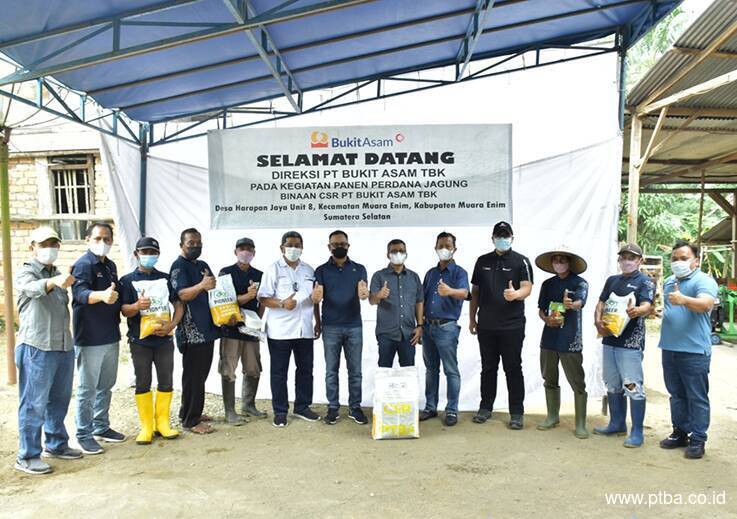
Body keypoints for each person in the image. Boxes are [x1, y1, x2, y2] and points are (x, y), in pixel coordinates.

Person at [14, 227, 83, 474]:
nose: (49, 248)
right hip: (37, 347)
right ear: (32, 246)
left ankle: (56, 444)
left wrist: (59, 279)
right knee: (33, 403)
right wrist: (53, 281)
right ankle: (27, 455)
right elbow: (31, 289)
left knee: (59, 400)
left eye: (54, 243)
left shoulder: (58, 274)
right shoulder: (26, 271)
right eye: (43, 244)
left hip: (62, 346)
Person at [119, 237, 184, 444]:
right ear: (136, 254)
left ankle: (162, 423)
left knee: (166, 380)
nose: (148, 256)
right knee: (143, 381)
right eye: (144, 252)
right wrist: (137, 306)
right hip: (140, 341)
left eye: (152, 252)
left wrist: (172, 325)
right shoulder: (127, 280)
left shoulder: (165, 279)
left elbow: (179, 305)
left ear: (158, 255)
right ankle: (147, 426)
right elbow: (123, 310)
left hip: (164, 340)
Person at [469, 221, 533, 430]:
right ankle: (485, 407)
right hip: (486, 325)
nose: (502, 238)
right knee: (488, 368)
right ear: (493, 238)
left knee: (513, 368)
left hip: (512, 326)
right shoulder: (482, 261)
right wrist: (472, 318)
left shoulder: (521, 261)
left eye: (506, 235)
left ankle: (516, 412)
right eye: (499, 235)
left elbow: (527, 287)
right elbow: (475, 292)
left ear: (512, 238)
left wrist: (516, 295)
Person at [658, 240, 717, 459]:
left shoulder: (704, 280)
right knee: (676, 394)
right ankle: (680, 432)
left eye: (684, 258)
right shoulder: (668, 281)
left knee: (697, 396)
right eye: (675, 259)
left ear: (696, 261)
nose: (678, 262)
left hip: (694, 351)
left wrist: (683, 300)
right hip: (669, 348)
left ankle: (698, 439)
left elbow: (706, 304)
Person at [71, 222, 126, 454]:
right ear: (87, 240)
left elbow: (118, 297)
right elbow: (80, 294)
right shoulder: (83, 265)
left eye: (107, 239)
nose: (102, 243)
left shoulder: (110, 265)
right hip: (90, 338)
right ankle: (83, 433)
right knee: (87, 388)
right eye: (97, 238)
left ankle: (100, 426)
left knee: (106, 385)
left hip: (110, 335)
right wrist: (101, 295)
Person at [257, 231, 321, 428]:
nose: (294, 248)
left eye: (297, 245)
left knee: (305, 370)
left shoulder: (310, 271)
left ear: (302, 247)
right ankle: (280, 411)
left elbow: (315, 298)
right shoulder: (273, 269)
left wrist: (318, 321)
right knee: (279, 372)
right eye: (290, 245)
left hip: (305, 330)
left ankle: (302, 407)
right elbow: (262, 297)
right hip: (280, 331)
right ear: (282, 248)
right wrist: (282, 304)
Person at [593, 243, 654, 448]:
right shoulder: (612, 280)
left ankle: (637, 431)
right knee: (612, 383)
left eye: (631, 257)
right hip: (609, 340)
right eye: (623, 257)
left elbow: (648, 305)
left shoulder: (645, 282)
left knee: (632, 386)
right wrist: (597, 319)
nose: (626, 261)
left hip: (629, 344)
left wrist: (637, 310)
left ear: (639, 261)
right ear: (619, 260)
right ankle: (617, 423)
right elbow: (601, 302)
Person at [313, 230, 369, 426]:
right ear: (329, 247)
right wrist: (318, 322)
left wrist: (365, 294)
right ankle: (333, 407)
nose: (339, 247)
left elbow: (364, 292)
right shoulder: (320, 270)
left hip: (354, 326)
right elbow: (316, 299)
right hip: (330, 327)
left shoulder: (359, 269)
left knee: (355, 371)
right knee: (331, 370)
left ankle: (355, 407)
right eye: (335, 244)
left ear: (348, 246)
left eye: (342, 244)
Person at [535, 246, 589, 439]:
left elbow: (580, 302)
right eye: (556, 260)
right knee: (549, 378)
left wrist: (571, 305)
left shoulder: (580, 283)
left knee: (577, 382)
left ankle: (581, 423)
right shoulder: (547, 284)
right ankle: (552, 416)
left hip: (570, 339)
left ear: (570, 262)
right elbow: (541, 309)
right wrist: (546, 319)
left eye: (563, 260)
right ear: (551, 263)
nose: (559, 263)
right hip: (549, 338)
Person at [170, 228, 221, 434]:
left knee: (200, 375)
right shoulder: (178, 267)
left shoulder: (202, 265)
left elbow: (212, 288)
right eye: (191, 242)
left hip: (207, 328)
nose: (195, 246)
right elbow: (182, 294)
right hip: (192, 332)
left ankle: (189, 412)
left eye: (198, 242)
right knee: (193, 376)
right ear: (181, 244)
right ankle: (191, 421)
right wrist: (201, 285)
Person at [419, 232, 469, 427]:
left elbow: (465, 293)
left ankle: (451, 410)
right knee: (431, 370)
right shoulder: (430, 273)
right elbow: (421, 300)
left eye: (448, 246)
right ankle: (430, 407)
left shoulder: (459, 273)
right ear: (435, 248)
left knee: (450, 370)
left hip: (447, 328)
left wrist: (449, 291)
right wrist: (420, 324)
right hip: (429, 326)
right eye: (441, 246)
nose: (444, 249)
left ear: (455, 249)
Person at [218, 237, 266, 423]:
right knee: (228, 369)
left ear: (254, 253)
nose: (245, 252)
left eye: (249, 249)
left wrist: (258, 319)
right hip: (230, 328)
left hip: (251, 328)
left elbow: (262, 301)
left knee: (253, 368)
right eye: (242, 249)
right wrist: (246, 296)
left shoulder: (260, 274)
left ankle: (248, 404)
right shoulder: (226, 272)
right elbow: (223, 299)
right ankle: (230, 411)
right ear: (235, 252)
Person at [369, 239, 424, 368]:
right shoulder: (379, 276)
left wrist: (420, 325)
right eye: (394, 251)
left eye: (401, 251)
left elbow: (419, 301)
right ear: (388, 255)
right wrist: (379, 295)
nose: (398, 254)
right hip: (386, 334)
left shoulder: (414, 277)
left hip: (409, 334)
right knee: (384, 371)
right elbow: (372, 300)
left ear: (406, 254)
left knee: (408, 372)